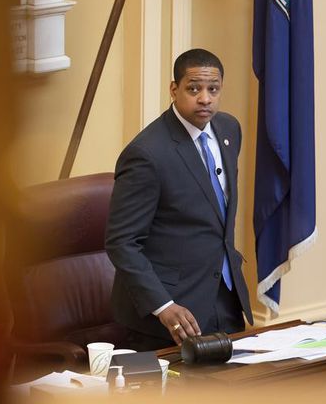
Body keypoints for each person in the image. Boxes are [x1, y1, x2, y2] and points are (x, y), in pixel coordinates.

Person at [105, 48, 253, 351]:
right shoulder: (147, 154)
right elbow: (122, 242)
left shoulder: (228, 129)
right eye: (194, 89)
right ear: (174, 90)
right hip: (171, 312)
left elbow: (215, 211)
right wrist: (163, 306)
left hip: (225, 297)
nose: (205, 99)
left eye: (213, 89)